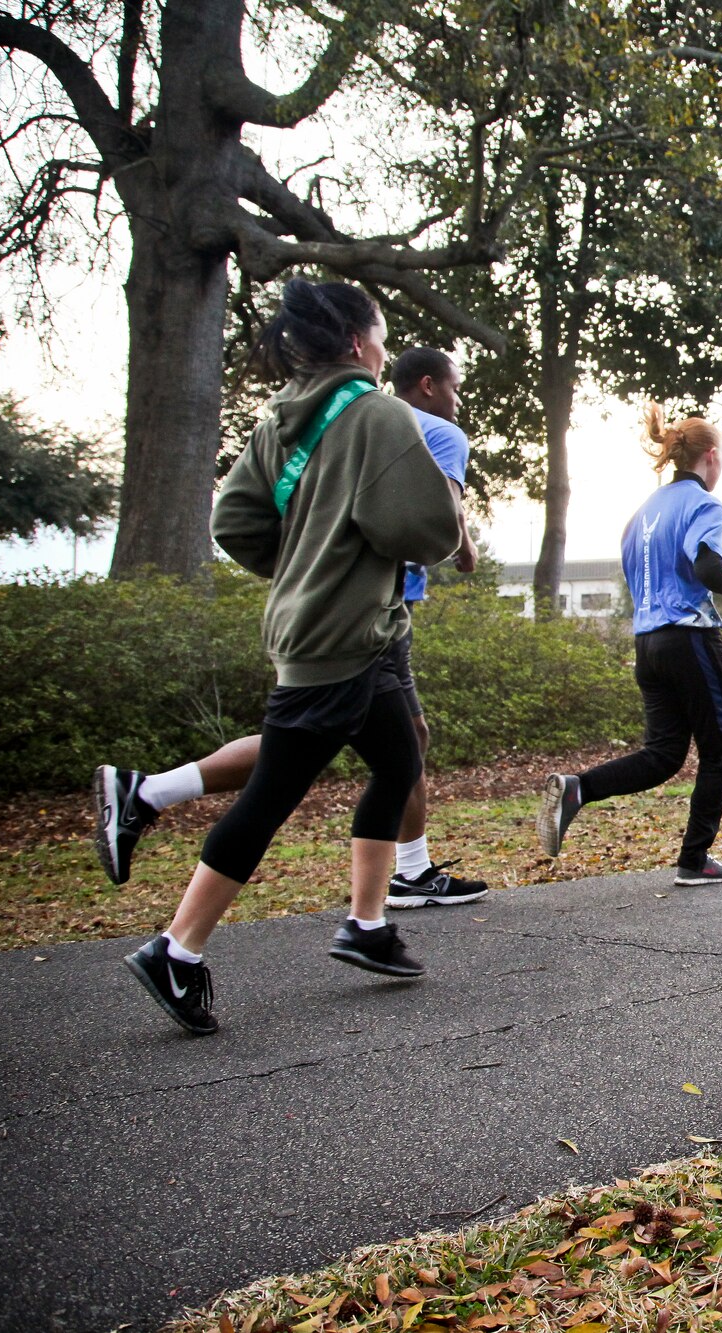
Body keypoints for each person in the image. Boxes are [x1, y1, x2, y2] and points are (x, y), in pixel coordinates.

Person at [122, 279, 464, 1036]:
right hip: (339, 637)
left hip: (341, 630)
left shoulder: (283, 416)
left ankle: (367, 924)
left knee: (401, 756)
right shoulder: (378, 413)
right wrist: (354, 553)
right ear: (356, 343)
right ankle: (176, 948)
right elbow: (423, 529)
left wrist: (307, 559)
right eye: (378, 334)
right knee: (271, 792)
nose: (383, 347)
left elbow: (237, 517)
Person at [94, 348, 488, 909]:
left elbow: (236, 519)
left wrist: (305, 570)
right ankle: (173, 898)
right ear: (426, 385)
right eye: (453, 386)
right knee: (306, 752)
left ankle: (385, 901)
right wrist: (459, 541)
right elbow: (444, 536)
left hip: (311, 610)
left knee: (395, 746)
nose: (456, 398)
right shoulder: (427, 430)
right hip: (368, 617)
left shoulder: (314, 419)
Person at [537, 406, 722, 883]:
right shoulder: (704, 504)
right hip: (690, 640)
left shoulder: (642, 512)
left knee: (663, 756)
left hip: (647, 644)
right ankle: (694, 859)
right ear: (712, 457)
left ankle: (578, 789)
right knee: (719, 750)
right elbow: (706, 568)